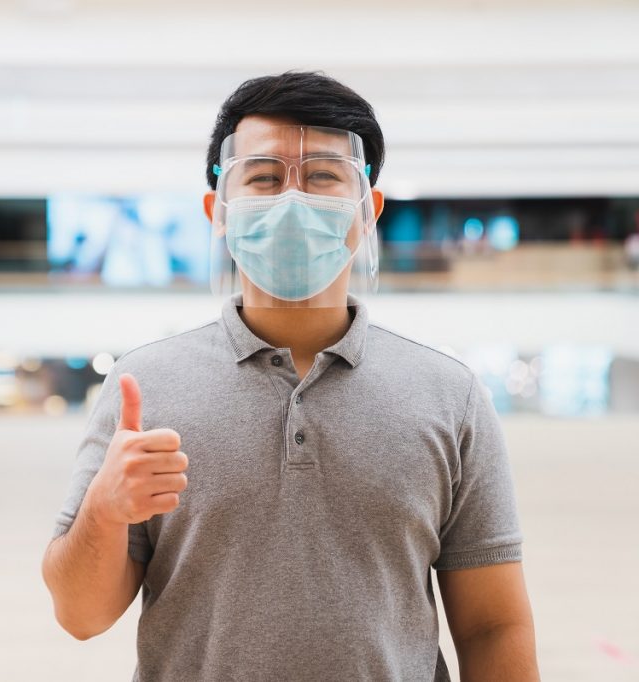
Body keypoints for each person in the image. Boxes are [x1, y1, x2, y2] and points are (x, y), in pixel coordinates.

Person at [42, 71, 539, 681]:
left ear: (367, 210)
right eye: (265, 178)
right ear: (218, 212)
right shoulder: (144, 386)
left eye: (324, 176)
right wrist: (106, 510)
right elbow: (79, 613)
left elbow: (493, 625)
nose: (293, 200)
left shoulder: (448, 395)